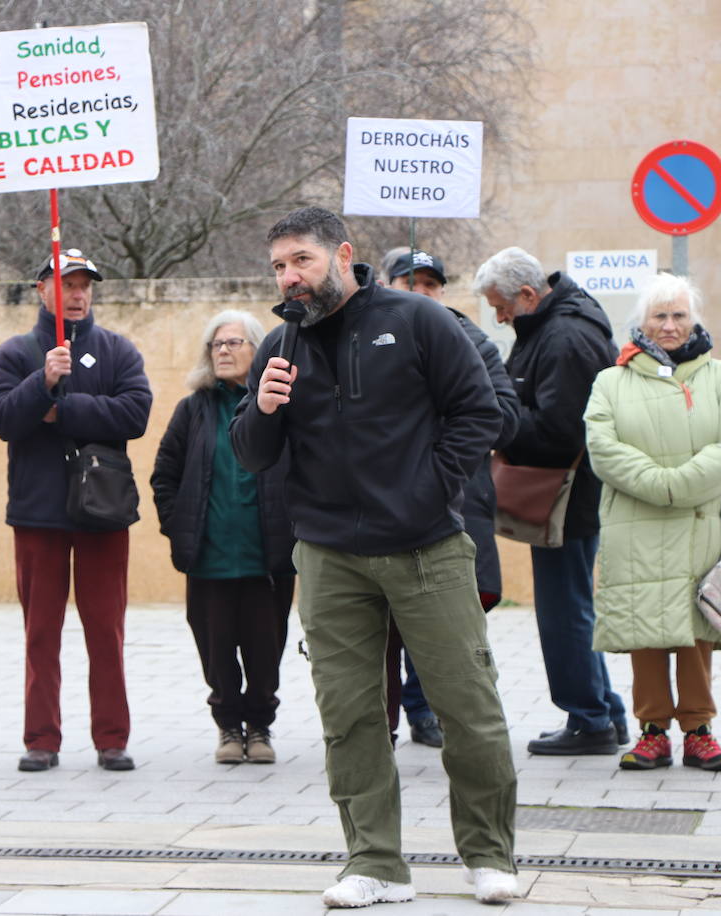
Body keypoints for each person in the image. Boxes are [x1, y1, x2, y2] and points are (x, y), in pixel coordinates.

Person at [231, 208, 518, 906]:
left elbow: (482, 412)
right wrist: (262, 409)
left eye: (300, 259)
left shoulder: (418, 322)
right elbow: (250, 455)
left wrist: (428, 492)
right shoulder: (279, 345)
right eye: (278, 266)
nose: (289, 276)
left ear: (343, 255)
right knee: (350, 716)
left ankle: (488, 855)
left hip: (427, 548)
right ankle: (375, 864)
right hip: (328, 556)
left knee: (466, 704)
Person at [0, 248, 151, 773]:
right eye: (66, 284)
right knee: (41, 631)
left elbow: (135, 412)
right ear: (42, 290)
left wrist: (65, 408)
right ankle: (41, 739)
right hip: (38, 513)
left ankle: (111, 738)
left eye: (84, 285)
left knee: (107, 629)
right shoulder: (14, 355)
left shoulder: (118, 351)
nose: (77, 294)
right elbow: (4, 419)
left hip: (103, 511)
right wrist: (43, 383)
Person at [473, 247, 629, 756]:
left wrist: (501, 425)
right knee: (572, 606)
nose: (499, 317)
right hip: (572, 495)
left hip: (567, 497)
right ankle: (605, 712)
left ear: (527, 293)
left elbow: (562, 431)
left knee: (564, 612)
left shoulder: (563, 337)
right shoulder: (559, 328)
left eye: (502, 306)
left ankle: (589, 720)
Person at [585, 274, 721, 773]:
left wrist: (681, 484)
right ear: (641, 323)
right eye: (659, 316)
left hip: (700, 526)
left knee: (697, 632)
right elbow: (603, 450)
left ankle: (699, 732)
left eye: (679, 316)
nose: (670, 326)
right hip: (636, 526)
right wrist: (663, 483)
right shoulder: (611, 381)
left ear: (693, 321)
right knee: (644, 630)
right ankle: (652, 733)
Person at [382, 249, 520, 749]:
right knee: (378, 622)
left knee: (441, 620)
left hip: (453, 505)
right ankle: (382, 718)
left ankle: (427, 709)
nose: (420, 292)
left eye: (430, 284)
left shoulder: (472, 340)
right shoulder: (360, 336)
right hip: (374, 509)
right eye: (408, 281)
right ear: (386, 284)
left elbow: (504, 417)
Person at [150, 310, 295, 765]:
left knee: (265, 648)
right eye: (216, 344)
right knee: (215, 649)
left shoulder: (277, 404)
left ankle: (261, 727)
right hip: (209, 557)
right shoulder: (193, 409)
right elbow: (164, 475)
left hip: (266, 558)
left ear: (258, 351)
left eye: (234, 342)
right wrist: (179, 525)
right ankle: (229, 727)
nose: (224, 351)